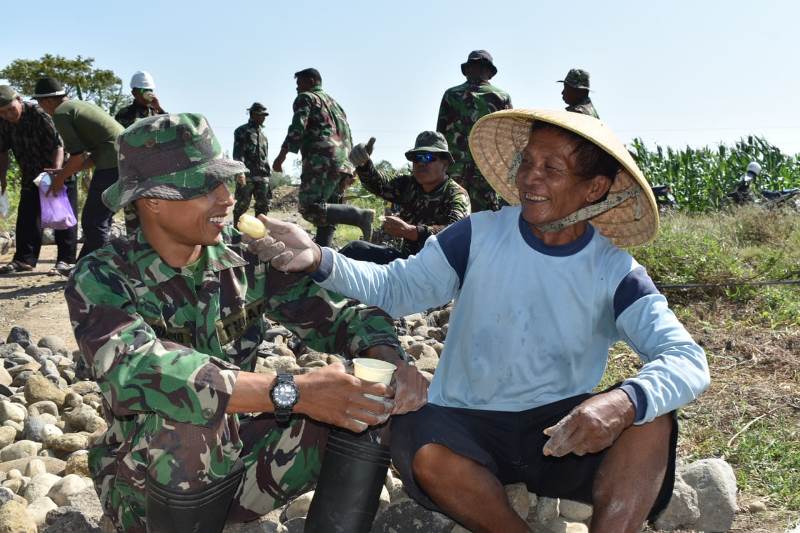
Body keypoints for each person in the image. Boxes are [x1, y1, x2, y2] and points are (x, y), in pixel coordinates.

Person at [259, 109, 711, 533]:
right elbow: (395, 287)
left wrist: (625, 402)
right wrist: (319, 258)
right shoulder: (479, 234)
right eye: (526, 162)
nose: (530, 178)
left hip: (559, 433)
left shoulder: (614, 270)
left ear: (593, 188)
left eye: (551, 169)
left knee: (652, 419)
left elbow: (686, 358)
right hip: (465, 424)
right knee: (423, 444)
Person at [64, 113, 428, 533]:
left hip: (245, 466)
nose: (227, 198)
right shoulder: (102, 276)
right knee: (189, 416)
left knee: (366, 396)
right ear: (152, 200)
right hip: (149, 487)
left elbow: (343, 315)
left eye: (227, 181)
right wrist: (294, 392)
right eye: (206, 186)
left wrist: (390, 360)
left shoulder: (248, 258)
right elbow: (138, 371)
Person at [272, 68, 373, 247]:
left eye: (299, 84)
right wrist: (352, 167)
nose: (297, 88)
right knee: (328, 211)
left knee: (309, 207)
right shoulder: (336, 104)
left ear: (311, 81)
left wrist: (281, 156)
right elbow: (347, 134)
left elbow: (297, 128)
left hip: (322, 161)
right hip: (344, 162)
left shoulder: (306, 98)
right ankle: (324, 255)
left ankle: (359, 216)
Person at [340, 131, 470, 264]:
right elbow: (380, 185)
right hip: (407, 262)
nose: (421, 163)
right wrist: (364, 165)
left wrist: (412, 232)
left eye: (427, 157)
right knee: (355, 250)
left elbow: (456, 232)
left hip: (438, 267)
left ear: (445, 164)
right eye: (416, 158)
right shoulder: (408, 184)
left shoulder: (456, 194)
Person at [33, 77, 124, 259]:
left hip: (113, 165)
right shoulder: (79, 105)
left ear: (48, 101)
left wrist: (59, 181)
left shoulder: (61, 113)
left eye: (40, 103)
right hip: (125, 160)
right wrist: (64, 172)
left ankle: (99, 266)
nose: (41, 108)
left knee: (93, 221)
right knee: (99, 219)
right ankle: (86, 264)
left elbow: (77, 156)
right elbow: (95, 153)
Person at [0, 85, 77, 276]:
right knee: (27, 216)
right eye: (2, 112)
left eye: (11, 109)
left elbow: (58, 145)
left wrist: (56, 175)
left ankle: (66, 261)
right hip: (30, 174)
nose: (8, 115)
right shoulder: (2, 122)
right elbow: (2, 151)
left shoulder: (39, 114)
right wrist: (2, 178)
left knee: (62, 217)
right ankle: (24, 259)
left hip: (58, 170)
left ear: (19, 100)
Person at [437, 50, 512, 212]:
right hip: (486, 172)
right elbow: (508, 140)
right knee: (485, 219)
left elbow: (439, 139)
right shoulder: (501, 97)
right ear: (489, 72)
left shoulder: (451, 95)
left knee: (453, 215)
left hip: (460, 171)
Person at [232, 102, 272, 225]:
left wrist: (268, 175)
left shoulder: (264, 134)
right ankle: (237, 230)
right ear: (253, 114)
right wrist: (240, 173)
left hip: (263, 176)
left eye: (265, 115)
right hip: (247, 175)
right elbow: (238, 154)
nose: (264, 117)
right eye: (261, 115)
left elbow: (265, 156)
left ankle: (259, 231)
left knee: (263, 206)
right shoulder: (241, 131)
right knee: (242, 205)